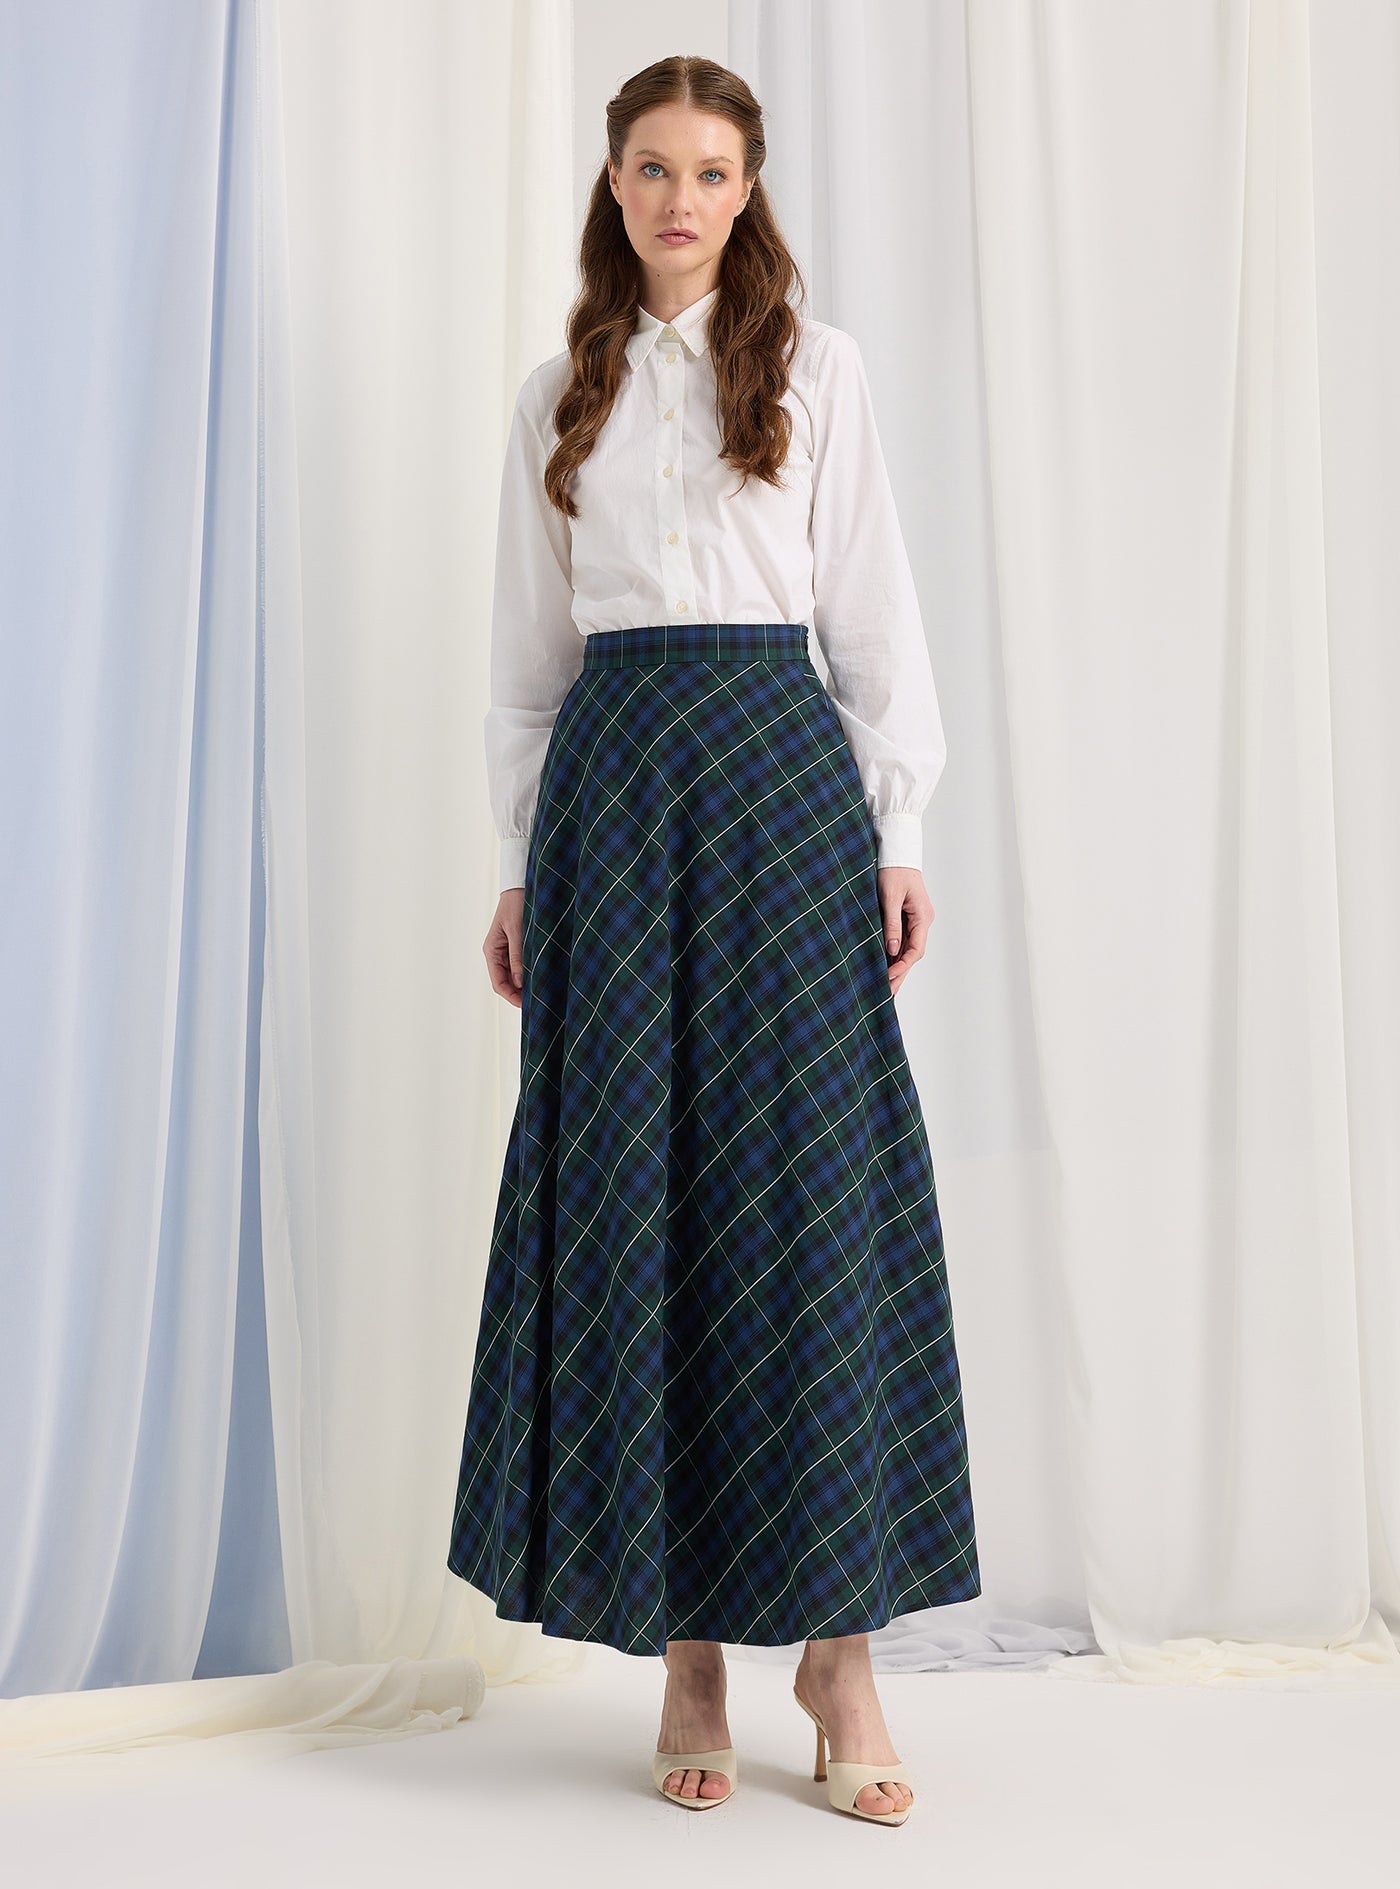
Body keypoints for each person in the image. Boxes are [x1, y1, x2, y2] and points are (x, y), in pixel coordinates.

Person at [447, 54, 980, 1827]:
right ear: (613, 184)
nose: (682, 198)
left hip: (776, 788)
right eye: (654, 167)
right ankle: (687, 1652)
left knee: (802, 1191)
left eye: (714, 171)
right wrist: (518, 866)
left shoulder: (817, 371)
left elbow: (876, 616)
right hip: (613, 797)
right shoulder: (560, 393)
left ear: (750, 192)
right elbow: (528, 659)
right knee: (640, 1189)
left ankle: (839, 1653)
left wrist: (899, 829)